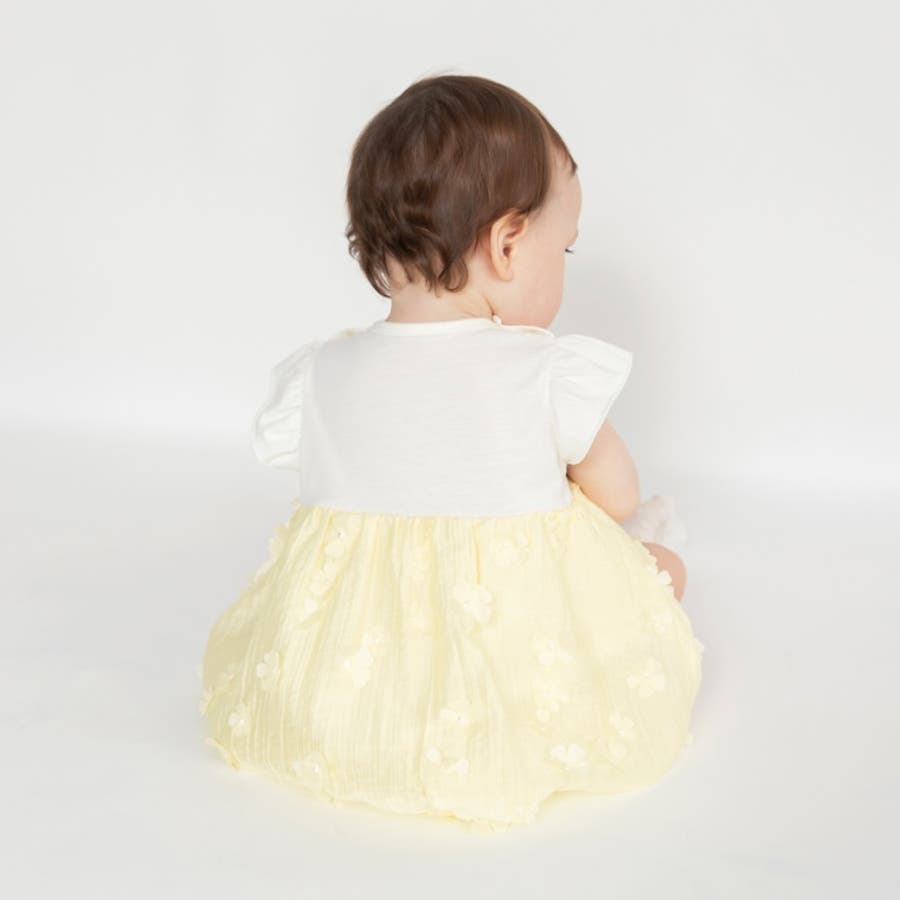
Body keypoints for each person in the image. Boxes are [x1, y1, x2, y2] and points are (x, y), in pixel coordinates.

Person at [198, 73, 704, 832]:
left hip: (351, 658)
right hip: (519, 639)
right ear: (508, 243)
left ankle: (380, 715)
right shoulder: (542, 371)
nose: (566, 265)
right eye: (564, 247)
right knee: (658, 568)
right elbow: (620, 499)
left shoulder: (321, 374)